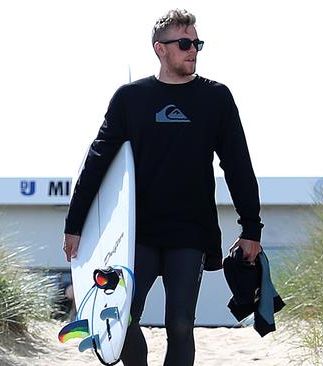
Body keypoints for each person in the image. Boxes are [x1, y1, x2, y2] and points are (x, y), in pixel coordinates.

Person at [62, 9, 263, 366]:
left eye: (197, 43)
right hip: (137, 233)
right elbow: (98, 160)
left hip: (191, 232)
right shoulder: (130, 99)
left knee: (181, 324)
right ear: (160, 49)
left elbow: (237, 164)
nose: (193, 50)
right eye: (184, 43)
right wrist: (74, 224)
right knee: (121, 320)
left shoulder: (216, 98)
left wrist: (251, 227)